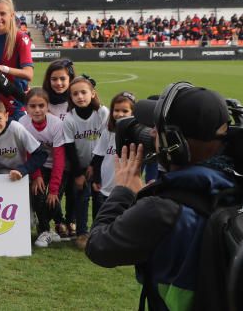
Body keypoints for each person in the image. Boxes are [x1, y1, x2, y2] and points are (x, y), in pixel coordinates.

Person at [86, 85, 238, 311]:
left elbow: (99, 247)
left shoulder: (160, 209)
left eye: (157, 129)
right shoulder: (232, 184)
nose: (151, 134)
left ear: (174, 143)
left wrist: (123, 191)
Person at [63, 76, 109, 249]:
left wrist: (95, 167)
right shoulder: (69, 119)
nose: (80, 96)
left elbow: (106, 141)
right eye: (75, 94)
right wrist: (78, 174)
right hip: (80, 167)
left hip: (100, 163)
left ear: (93, 93)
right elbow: (70, 148)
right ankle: (82, 233)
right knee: (81, 198)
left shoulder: (103, 113)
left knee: (99, 198)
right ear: (71, 97)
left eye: (84, 92)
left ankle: (98, 232)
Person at [19, 89, 67, 248]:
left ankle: (53, 225)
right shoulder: (23, 123)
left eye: (41, 105)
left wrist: (53, 189)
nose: (37, 110)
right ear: (26, 107)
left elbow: (59, 157)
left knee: (53, 200)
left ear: (47, 107)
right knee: (37, 195)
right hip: (37, 166)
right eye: (32, 106)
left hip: (57, 168)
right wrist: (37, 175)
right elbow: (28, 153)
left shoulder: (57, 124)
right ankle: (45, 231)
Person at [0, 0, 34, 120]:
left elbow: (29, 74)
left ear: (11, 15)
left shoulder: (21, 38)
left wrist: (1, 68)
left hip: (14, 104)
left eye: (2, 13)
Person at [0, 99, 46, 180]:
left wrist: (23, 170)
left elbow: (41, 154)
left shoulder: (16, 128)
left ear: (6, 116)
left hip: (19, 173)